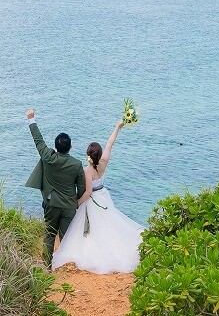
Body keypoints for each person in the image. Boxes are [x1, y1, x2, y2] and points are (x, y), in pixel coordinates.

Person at [51, 117, 144, 273]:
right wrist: (118, 127)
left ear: (87, 155)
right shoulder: (103, 163)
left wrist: (77, 203)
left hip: (93, 200)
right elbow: (110, 143)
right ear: (99, 155)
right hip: (104, 196)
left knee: (91, 229)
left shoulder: (87, 171)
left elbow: (87, 193)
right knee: (108, 224)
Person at [24, 109, 86, 265]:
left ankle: (47, 265)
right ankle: (66, 264)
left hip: (51, 203)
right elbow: (82, 188)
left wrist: (31, 119)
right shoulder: (77, 164)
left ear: (56, 146)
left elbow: (38, 140)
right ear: (71, 147)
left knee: (50, 234)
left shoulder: (48, 157)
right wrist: (76, 202)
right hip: (69, 205)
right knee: (66, 236)